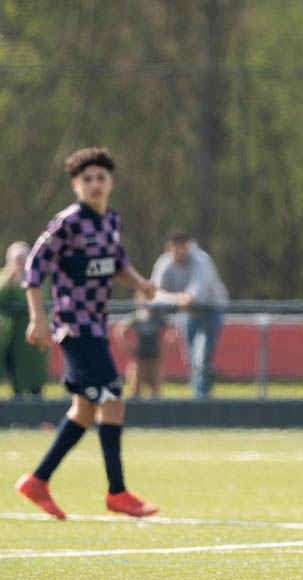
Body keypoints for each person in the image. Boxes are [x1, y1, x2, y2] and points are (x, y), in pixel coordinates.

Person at [14, 147, 159, 519]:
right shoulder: (67, 223)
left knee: (82, 411)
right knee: (112, 397)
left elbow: (118, 265)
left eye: (101, 178)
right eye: (87, 179)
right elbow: (33, 269)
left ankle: (37, 481)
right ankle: (117, 492)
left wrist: (140, 282)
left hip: (96, 324)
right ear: (75, 185)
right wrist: (37, 318)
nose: (95, 184)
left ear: (110, 182)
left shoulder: (111, 220)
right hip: (75, 327)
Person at [150, 229, 229, 398]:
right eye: (174, 247)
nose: (178, 251)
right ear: (168, 248)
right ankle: (204, 387)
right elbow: (154, 295)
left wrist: (171, 298)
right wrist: (177, 298)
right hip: (187, 314)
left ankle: (201, 399)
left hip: (210, 311)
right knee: (191, 360)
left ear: (188, 247)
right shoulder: (165, 263)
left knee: (201, 358)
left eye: (182, 247)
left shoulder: (201, 261)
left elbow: (194, 298)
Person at [0, 241, 47, 397]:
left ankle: (37, 402)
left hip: (34, 333)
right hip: (12, 335)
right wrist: (8, 282)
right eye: (17, 260)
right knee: (15, 372)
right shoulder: (4, 277)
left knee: (34, 372)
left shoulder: (37, 276)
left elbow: (38, 300)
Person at [112, 290, 172, 399]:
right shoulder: (136, 316)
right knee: (135, 389)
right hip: (138, 358)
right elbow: (120, 330)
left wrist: (168, 343)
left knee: (156, 391)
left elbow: (172, 328)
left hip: (155, 357)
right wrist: (125, 346)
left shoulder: (158, 316)